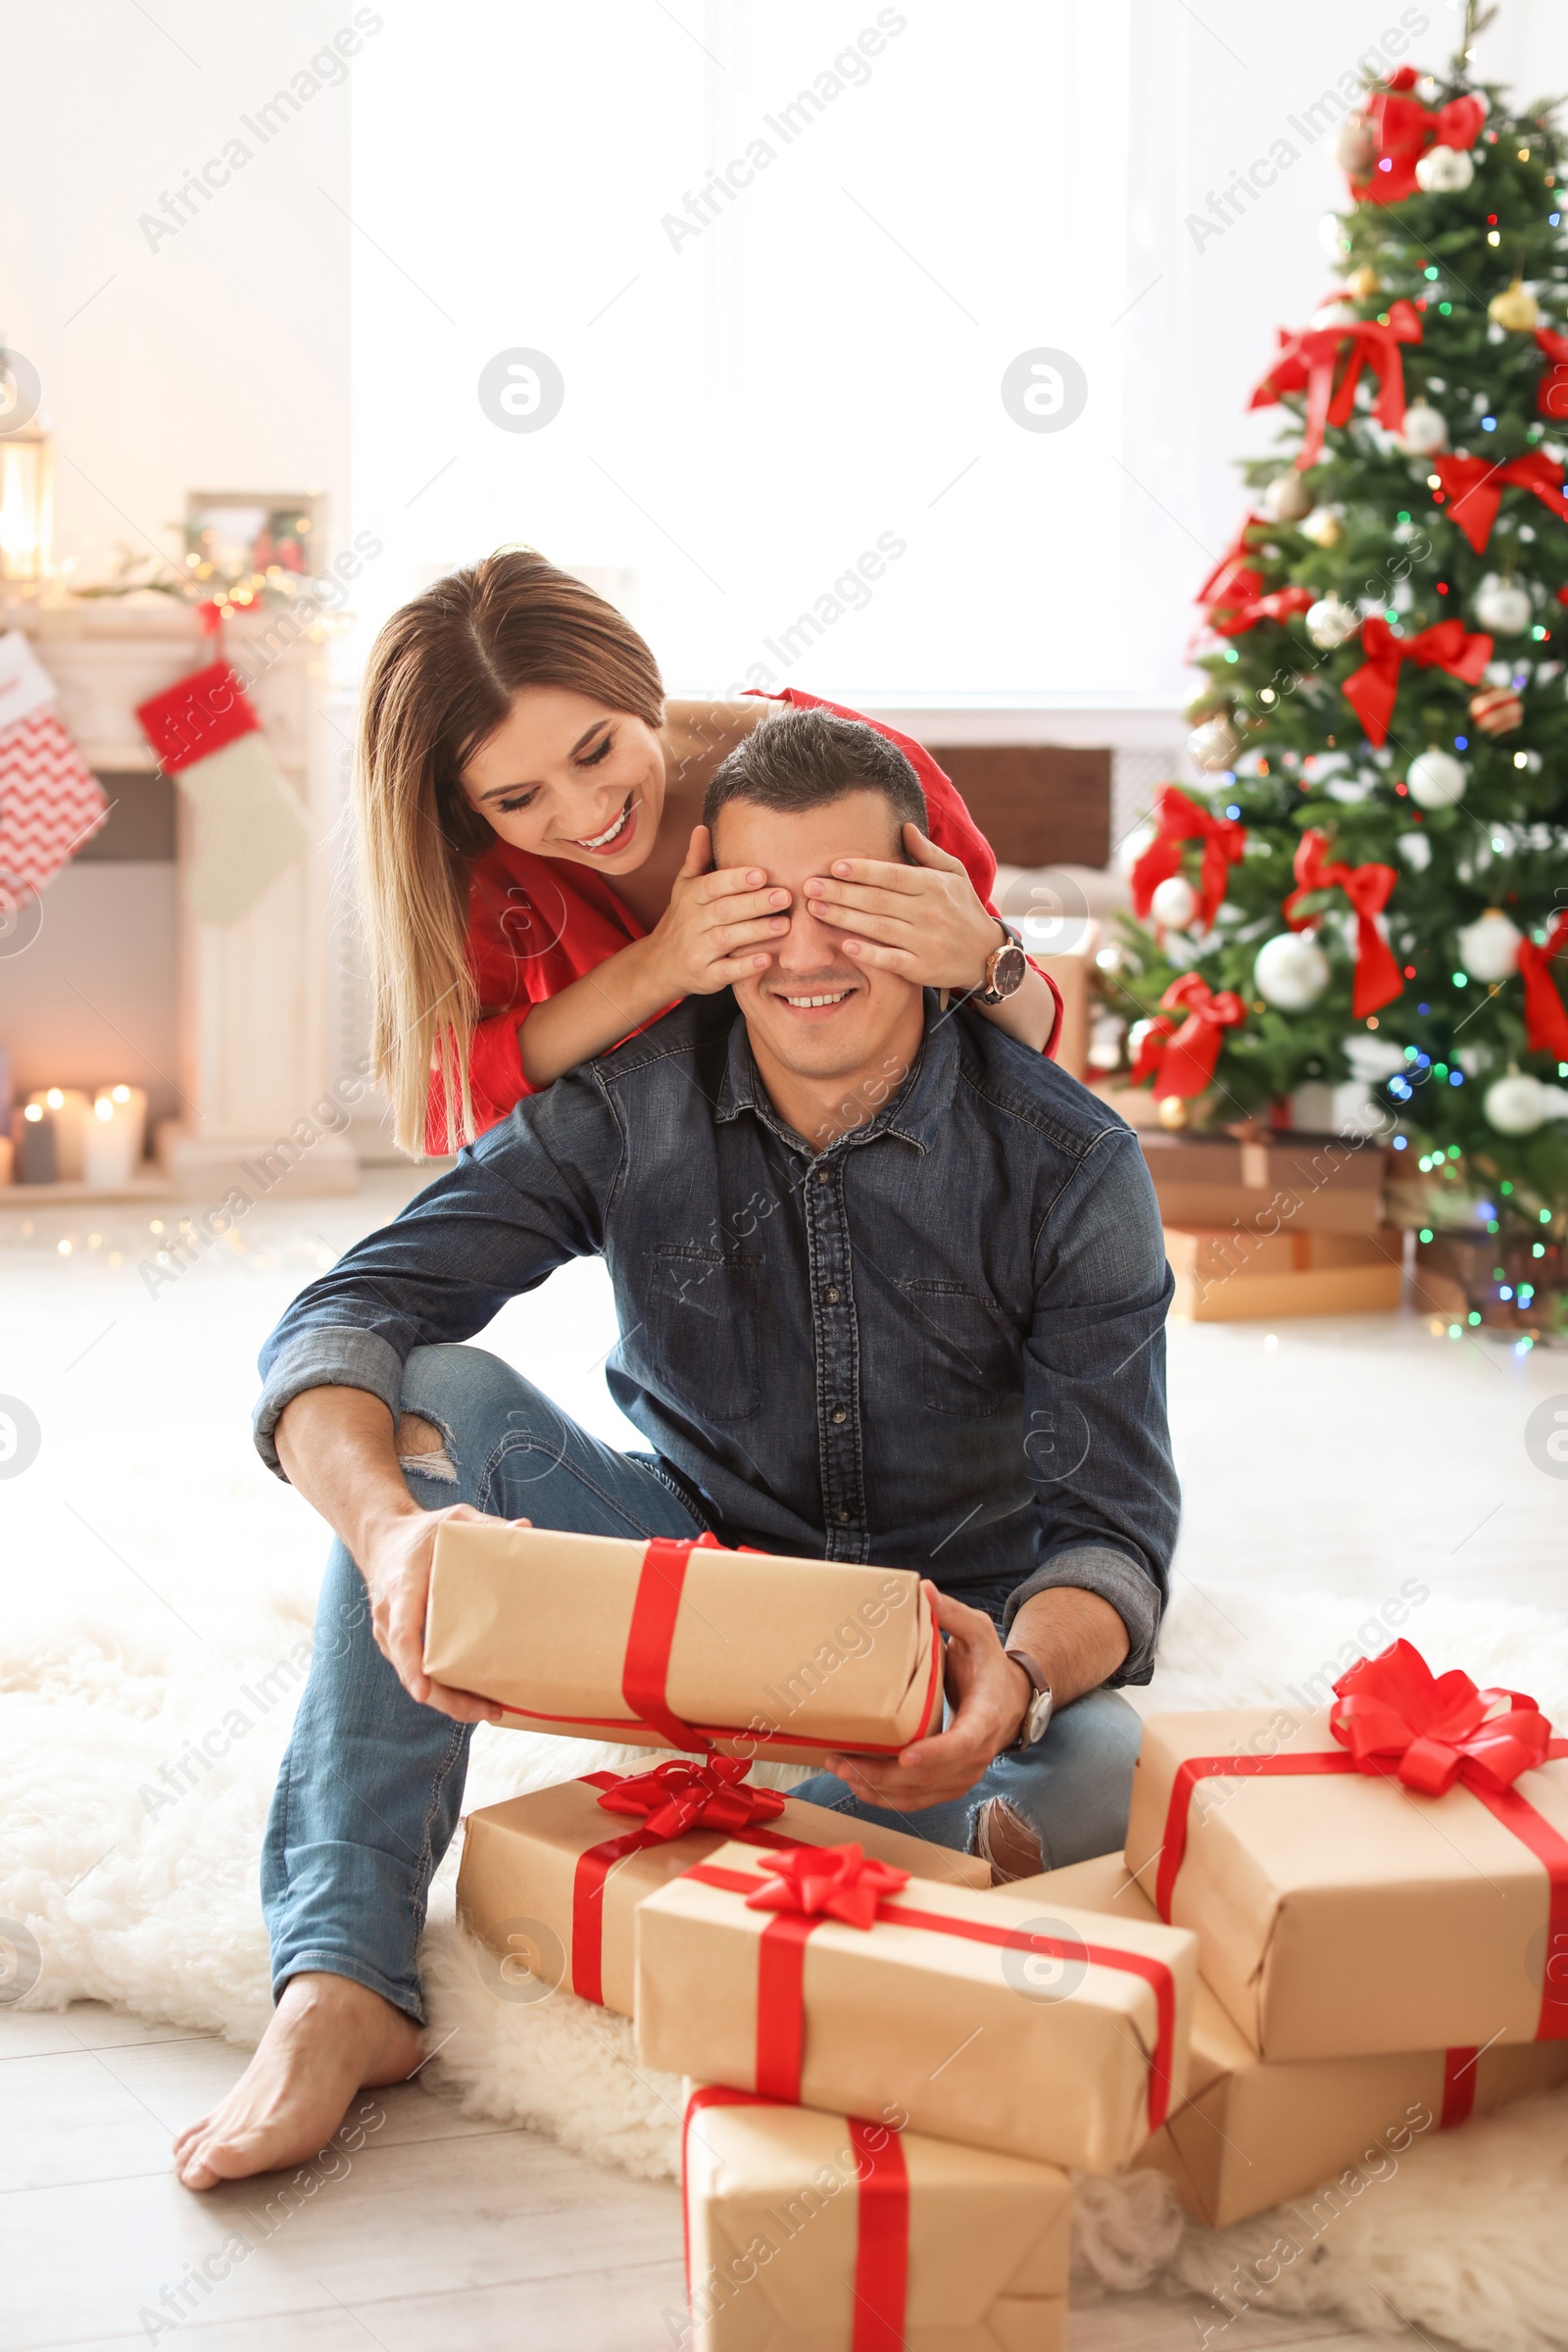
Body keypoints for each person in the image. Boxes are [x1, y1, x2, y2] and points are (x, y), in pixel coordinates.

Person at [172, 707, 1177, 2192]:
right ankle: (342, 1979)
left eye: (853, 903)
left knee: (1107, 1770)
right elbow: (352, 1311)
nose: (809, 953)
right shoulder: (630, 1103)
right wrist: (394, 1536)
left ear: (927, 892)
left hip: (950, 1635)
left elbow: (1112, 1537)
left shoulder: (1073, 1163)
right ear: (707, 892)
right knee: (436, 1387)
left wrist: (1016, 1679)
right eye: (767, 907)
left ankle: (757, 1873)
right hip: (694, 1578)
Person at [353, 549, 1062, 1153]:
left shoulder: (866, 778)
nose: (586, 813)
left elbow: (1021, 1054)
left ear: (637, 680)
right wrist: (659, 966)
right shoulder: (491, 865)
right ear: (468, 805)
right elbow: (435, 1102)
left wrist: (985, 959)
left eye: (596, 751)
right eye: (516, 799)